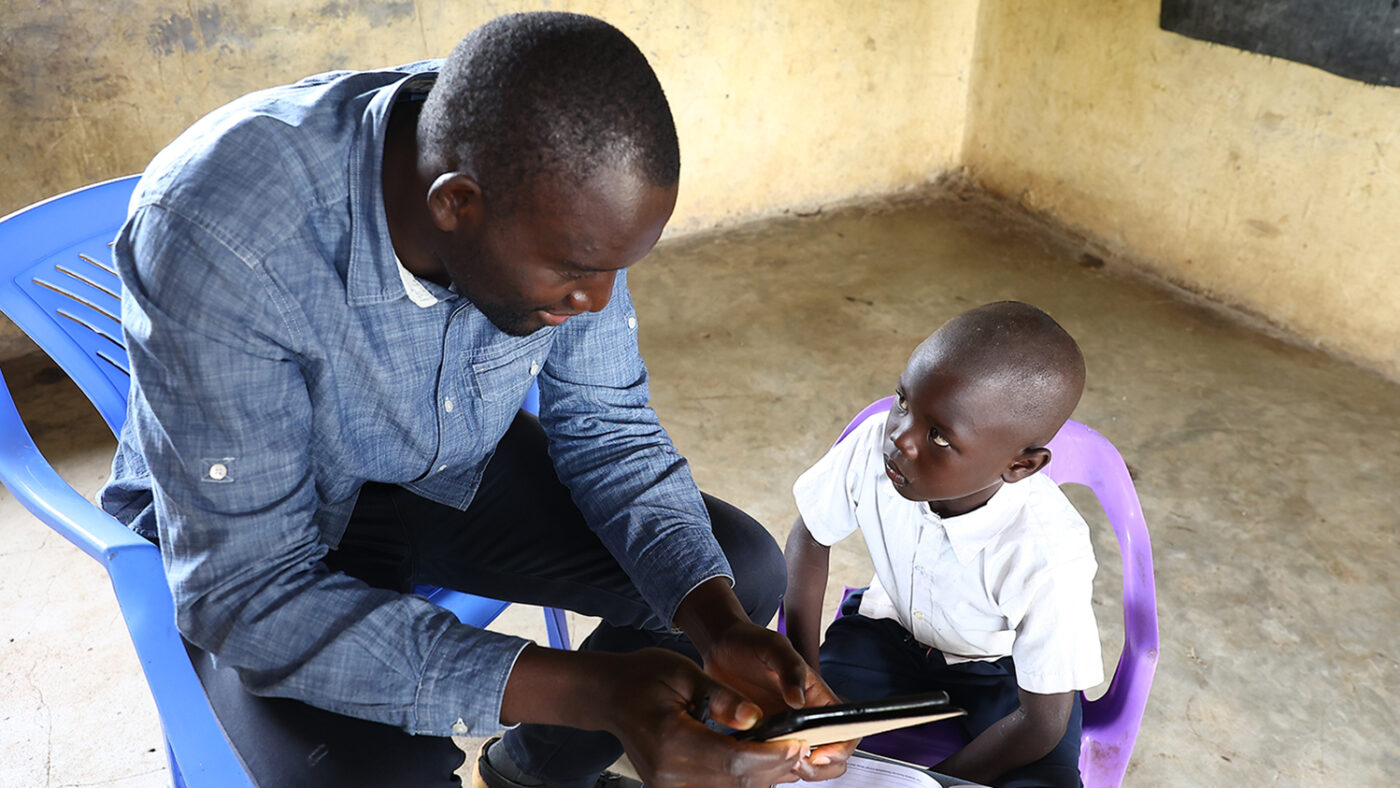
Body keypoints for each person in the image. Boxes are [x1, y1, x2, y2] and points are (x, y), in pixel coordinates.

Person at [100, 12, 855, 788]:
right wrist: (602, 696)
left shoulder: (556, 172)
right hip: (261, 535)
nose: (595, 302)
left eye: (616, 269)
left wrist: (721, 631)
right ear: (455, 203)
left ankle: (530, 774)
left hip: (440, 469)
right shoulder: (221, 234)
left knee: (734, 570)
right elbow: (249, 593)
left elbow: (608, 429)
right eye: (576, 270)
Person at [783, 301, 1103, 788]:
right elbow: (810, 534)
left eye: (938, 435)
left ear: (1020, 466)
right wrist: (805, 677)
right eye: (903, 402)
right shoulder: (874, 448)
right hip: (884, 639)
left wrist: (934, 783)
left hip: (1003, 674)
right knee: (773, 746)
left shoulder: (1049, 553)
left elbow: (1041, 724)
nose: (899, 439)